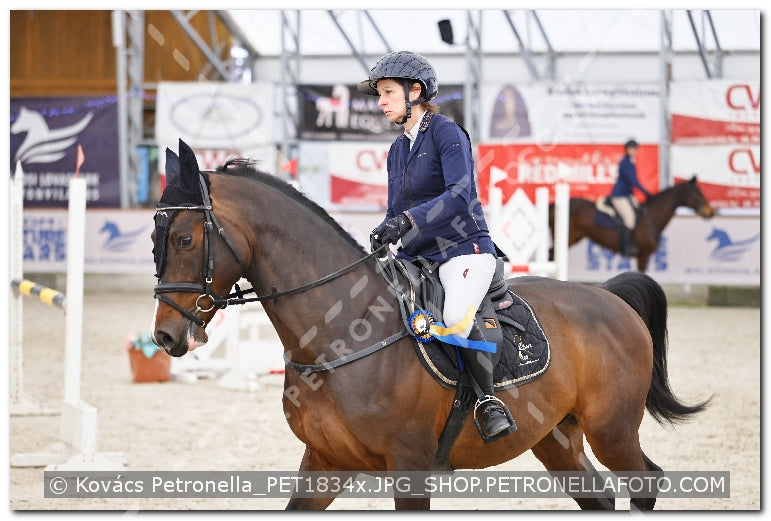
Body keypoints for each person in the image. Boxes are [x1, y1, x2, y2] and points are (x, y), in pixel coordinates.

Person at [360, 51, 514, 439]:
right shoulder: (398, 149)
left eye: (388, 93)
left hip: (463, 248)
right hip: (418, 255)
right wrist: (385, 229)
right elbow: (398, 208)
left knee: (457, 312)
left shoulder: (446, 132)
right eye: (379, 94)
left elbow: (460, 194)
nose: (381, 102)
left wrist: (408, 221)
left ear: (416, 91)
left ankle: (486, 400)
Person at [610, 139, 651, 257]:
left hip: (626, 195)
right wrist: (645, 192)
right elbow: (633, 181)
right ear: (628, 149)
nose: (635, 151)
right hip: (619, 195)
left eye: (636, 149)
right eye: (633, 149)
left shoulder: (630, 162)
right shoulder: (625, 162)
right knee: (630, 218)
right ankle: (626, 247)